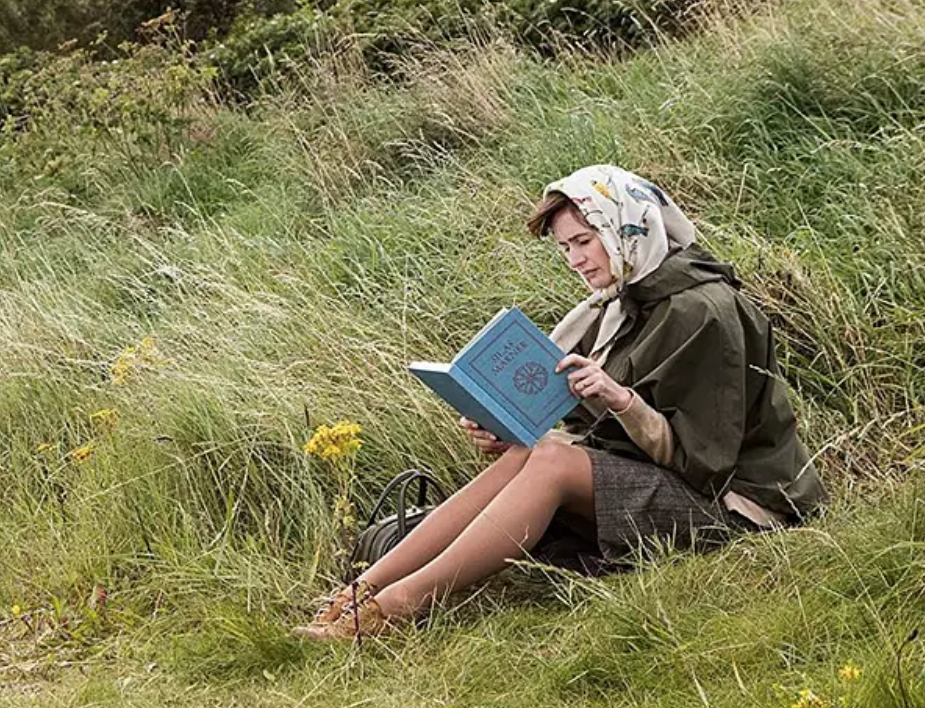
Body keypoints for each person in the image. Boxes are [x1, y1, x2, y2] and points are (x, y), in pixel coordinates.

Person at [295, 164, 826, 641]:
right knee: (529, 452)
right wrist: (508, 430)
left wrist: (621, 400)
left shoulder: (703, 310)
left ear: (625, 230)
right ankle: (358, 592)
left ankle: (395, 608)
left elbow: (706, 464)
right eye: (565, 248)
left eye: (584, 241)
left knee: (551, 460)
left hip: (738, 507)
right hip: (672, 484)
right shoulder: (619, 304)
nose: (575, 260)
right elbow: (594, 436)